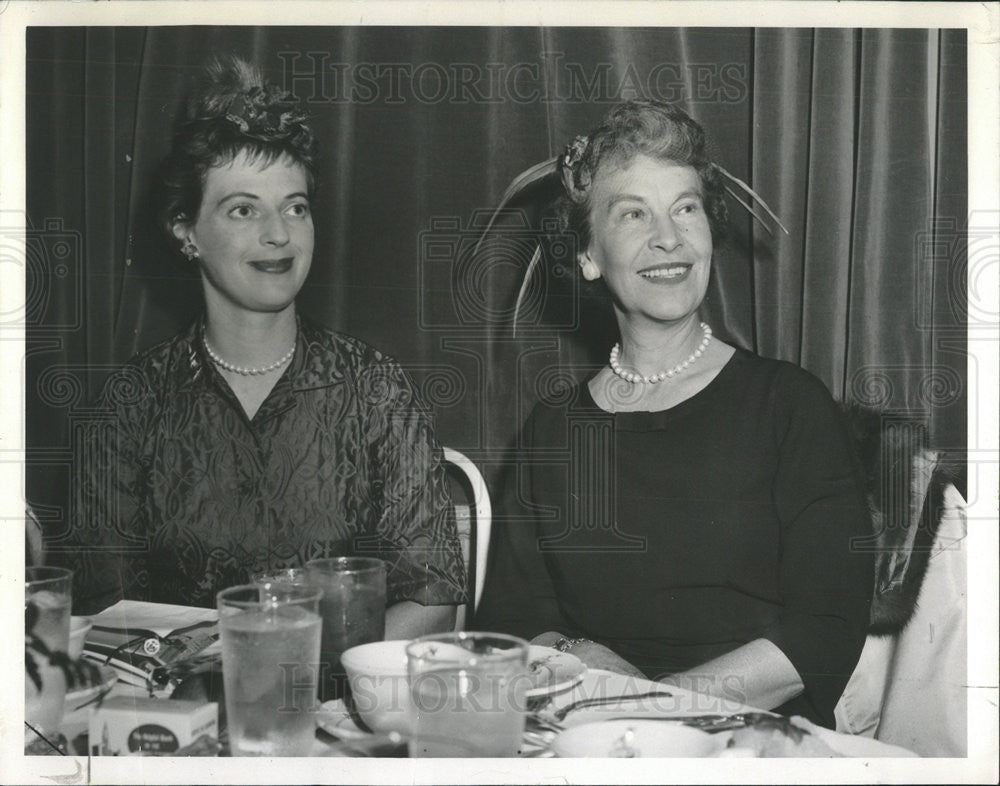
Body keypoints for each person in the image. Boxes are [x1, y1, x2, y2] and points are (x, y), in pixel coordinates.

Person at [475, 100, 873, 729]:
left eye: (685, 208)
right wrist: (586, 661)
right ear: (587, 255)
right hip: (588, 737)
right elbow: (508, 624)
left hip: (752, 739)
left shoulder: (789, 405)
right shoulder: (551, 431)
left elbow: (825, 627)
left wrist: (660, 707)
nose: (670, 237)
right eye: (634, 213)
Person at [69, 57, 466, 639]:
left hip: (338, 711)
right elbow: (101, 609)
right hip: (180, 712)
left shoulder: (376, 390)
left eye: (295, 206)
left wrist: (307, 678)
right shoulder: (128, 405)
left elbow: (432, 597)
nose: (278, 232)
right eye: (243, 208)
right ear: (186, 232)